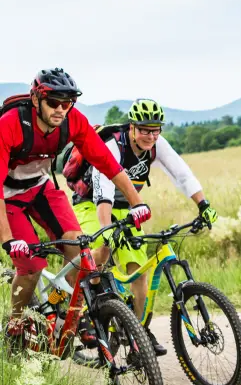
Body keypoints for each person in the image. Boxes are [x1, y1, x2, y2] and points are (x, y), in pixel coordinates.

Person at [0, 69, 151, 337]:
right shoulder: (11, 123)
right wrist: (8, 238)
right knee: (32, 265)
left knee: (80, 251)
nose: (61, 109)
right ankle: (15, 324)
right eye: (53, 102)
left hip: (40, 189)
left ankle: (69, 318)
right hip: (7, 196)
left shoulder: (72, 121)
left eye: (67, 103)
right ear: (36, 99)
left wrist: (137, 202)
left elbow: (107, 162)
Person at [72, 98, 217, 355]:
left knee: (138, 273)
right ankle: (83, 308)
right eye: (144, 130)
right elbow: (103, 191)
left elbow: (181, 174)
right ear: (132, 127)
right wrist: (106, 231)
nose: (151, 135)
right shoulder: (113, 145)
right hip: (91, 204)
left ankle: (136, 332)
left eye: (155, 129)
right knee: (102, 251)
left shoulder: (156, 145)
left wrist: (203, 204)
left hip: (127, 209)